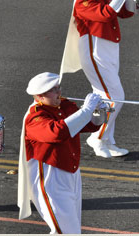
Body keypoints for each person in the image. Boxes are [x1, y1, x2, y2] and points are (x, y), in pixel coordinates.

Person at [17, 72, 107, 233]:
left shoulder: (63, 105)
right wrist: (86, 110)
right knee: (66, 232)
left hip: (72, 172)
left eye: (58, 88)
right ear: (39, 96)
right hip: (50, 176)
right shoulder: (35, 116)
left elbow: (86, 125)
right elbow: (56, 133)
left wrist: (99, 113)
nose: (59, 92)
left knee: (71, 229)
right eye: (53, 90)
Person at [61, 0, 137, 158]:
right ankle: (97, 137)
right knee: (114, 96)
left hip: (109, 47)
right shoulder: (82, 2)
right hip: (95, 48)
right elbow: (106, 14)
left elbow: (126, 13)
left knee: (104, 96)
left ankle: (107, 139)